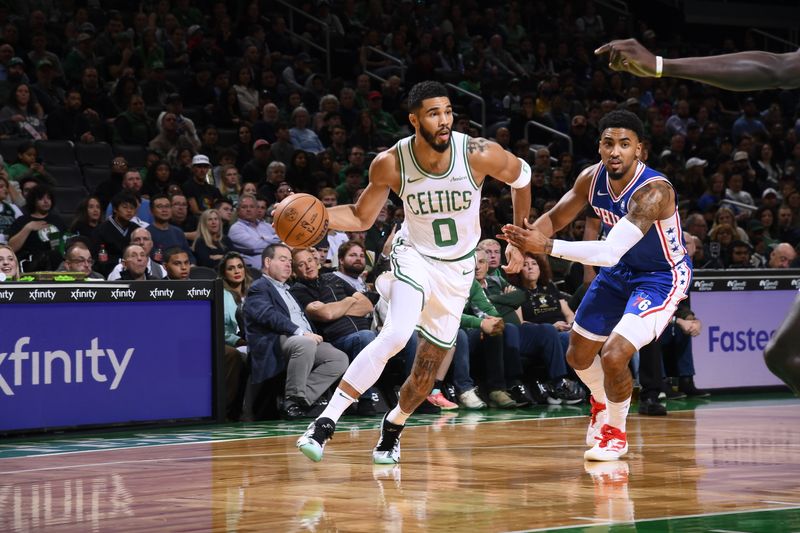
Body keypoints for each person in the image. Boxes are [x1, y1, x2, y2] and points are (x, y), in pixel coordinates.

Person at [296, 80, 531, 464]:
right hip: (414, 256)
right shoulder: (391, 162)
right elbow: (359, 216)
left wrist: (518, 237)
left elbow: (522, 177)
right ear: (413, 119)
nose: (444, 121)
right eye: (433, 113)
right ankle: (324, 423)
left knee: (424, 373)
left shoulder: (476, 152)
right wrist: (314, 216)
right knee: (396, 333)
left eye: (448, 111)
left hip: (458, 273)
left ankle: (395, 424)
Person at [501, 110, 691, 461]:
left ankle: (616, 433)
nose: (615, 151)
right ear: (600, 148)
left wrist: (545, 247)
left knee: (615, 354)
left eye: (624, 144)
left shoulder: (654, 192)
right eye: (608, 143)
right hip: (619, 273)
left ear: (640, 151)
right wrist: (521, 242)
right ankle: (601, 403)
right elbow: (555, 218)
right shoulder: (591, 178)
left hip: (660, 277)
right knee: (577, 354)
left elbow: (608, 250)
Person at [242, 243, 349, 421]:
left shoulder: (289, 289)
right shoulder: (259, 287)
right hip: (277, 339)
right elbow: (268, 315)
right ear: (268, 262)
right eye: (282, 260)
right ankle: (293, 398)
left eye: (289, 261)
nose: (287, 264)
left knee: (339, 359)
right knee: (305, 344)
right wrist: (300, 332)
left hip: (303, 338)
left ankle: (301, 400)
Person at [290, 244, 381, 416]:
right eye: (301, 264)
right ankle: (366, 400)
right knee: (366, 337)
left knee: (404, 338)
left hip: (361, 334)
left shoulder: (334, 279)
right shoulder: (298, 290)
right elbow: (326, 315)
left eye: (310, 260)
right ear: (295, 271)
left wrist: (335, 308)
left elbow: (367, 306)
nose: (308, 266)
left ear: (316, 261)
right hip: (336, 340)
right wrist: (349, 301)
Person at [218, 251, 251, 421]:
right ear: (224, 273)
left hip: (257, 340)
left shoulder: (255, 291)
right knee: (246, 357)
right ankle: (238, 411)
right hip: (237, 343)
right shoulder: (222, 295)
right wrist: (238, 340)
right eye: (231, 268)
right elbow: (220, 328)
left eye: (240, 267)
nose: (237, 271)